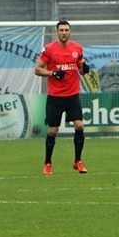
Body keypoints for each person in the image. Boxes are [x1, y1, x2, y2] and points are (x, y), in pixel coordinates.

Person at [34, 20, 91, 175]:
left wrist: (85, 69)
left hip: (72, 95)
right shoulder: (50, 49)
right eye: (61, 30)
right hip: (55, 96)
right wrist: (53, 73)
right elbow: (37, 70)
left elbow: (81, 68)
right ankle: (47, 163)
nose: (64, 33)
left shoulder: (77, 48)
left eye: (66, 30)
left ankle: (78, 161)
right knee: (53, 130)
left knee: (79, 126)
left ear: (70, 31)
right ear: (57, 32)